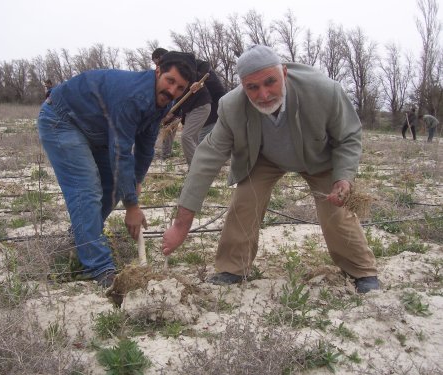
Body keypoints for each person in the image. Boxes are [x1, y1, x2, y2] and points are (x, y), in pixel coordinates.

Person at [162, 44, 380, 294]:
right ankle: (232, 268)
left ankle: (360, 269)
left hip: (318, 157)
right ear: (243, 86)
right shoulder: (231, 106)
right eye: (252, 87)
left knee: (336, 209)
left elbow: (348, 137)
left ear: (284, 74)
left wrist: (343, 178)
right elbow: (206, 158)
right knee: (244, 202)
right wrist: (181, 224)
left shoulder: (324, 91)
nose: (263, 94)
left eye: (270, 82)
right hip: (264, 157)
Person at [37, 51, 196, 288]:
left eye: (180, 88)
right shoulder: (133, 97)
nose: (172, 91)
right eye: (169, 81)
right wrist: (131, 207)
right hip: (63, 120)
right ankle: (99, 267)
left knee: (114, 185)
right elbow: (120, 151)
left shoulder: (163, 102)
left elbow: (145, 147)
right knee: (87, 188)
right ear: (158, 71)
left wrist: (136, 181)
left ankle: (81, 236)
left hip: (97, 130)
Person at [152, 48, 226, 165]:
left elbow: (205, 66)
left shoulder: (184, 64)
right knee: (196, 139)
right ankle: (202, 164)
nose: (158, 66)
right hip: (194, 106)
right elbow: (177, 98)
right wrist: (170, 114)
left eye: (159, 62)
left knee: (189, 137)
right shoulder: (172, 78)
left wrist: (198, 82)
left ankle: (199, 166)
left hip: (212, 100)